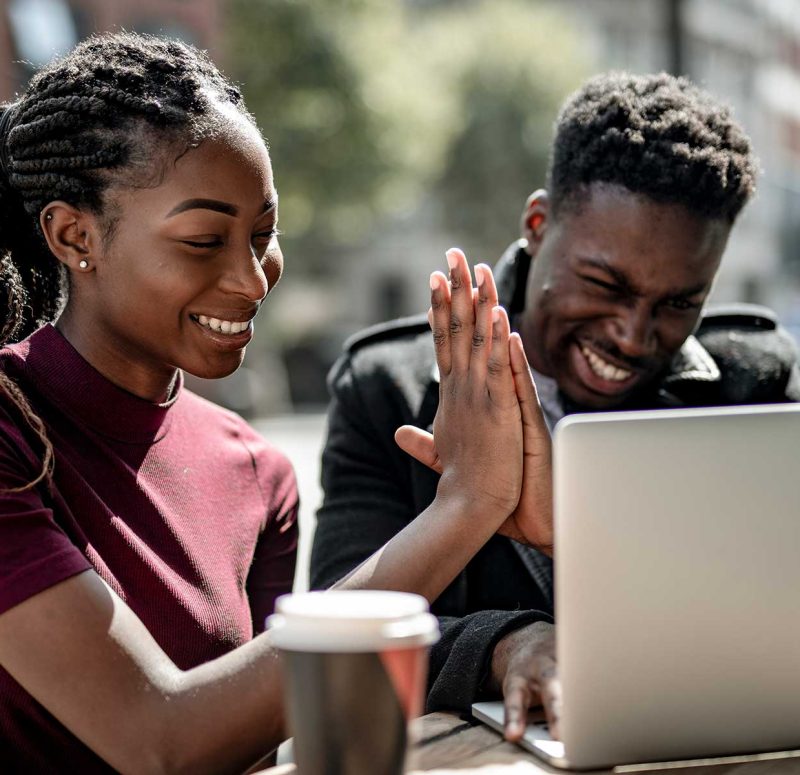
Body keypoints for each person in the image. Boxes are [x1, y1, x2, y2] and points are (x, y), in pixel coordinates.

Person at [0, 33, 543, 772]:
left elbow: (248, 745)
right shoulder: (11, 429)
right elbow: (158, 741)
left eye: (263, 233)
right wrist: (465, 504)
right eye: (203, 240)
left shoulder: (259, 473)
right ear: (74, 235)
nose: (253, 281)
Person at [310, 72, 800, 740]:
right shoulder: (387, 389)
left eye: (679, 302)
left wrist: (572, 530)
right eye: (604, 283)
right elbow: (338, 630)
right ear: (539, 225)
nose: (632, 334)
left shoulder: (758, 384)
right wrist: (503, 643)